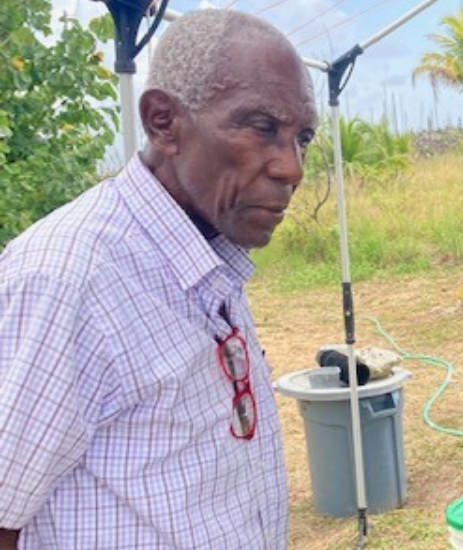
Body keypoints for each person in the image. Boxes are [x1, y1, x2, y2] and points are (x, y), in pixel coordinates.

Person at [0, 8, 317, 549]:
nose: (292, 168)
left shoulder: (210, 254)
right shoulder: (70, 278)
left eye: (302, 138)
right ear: (163, 121)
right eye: (262, 128)